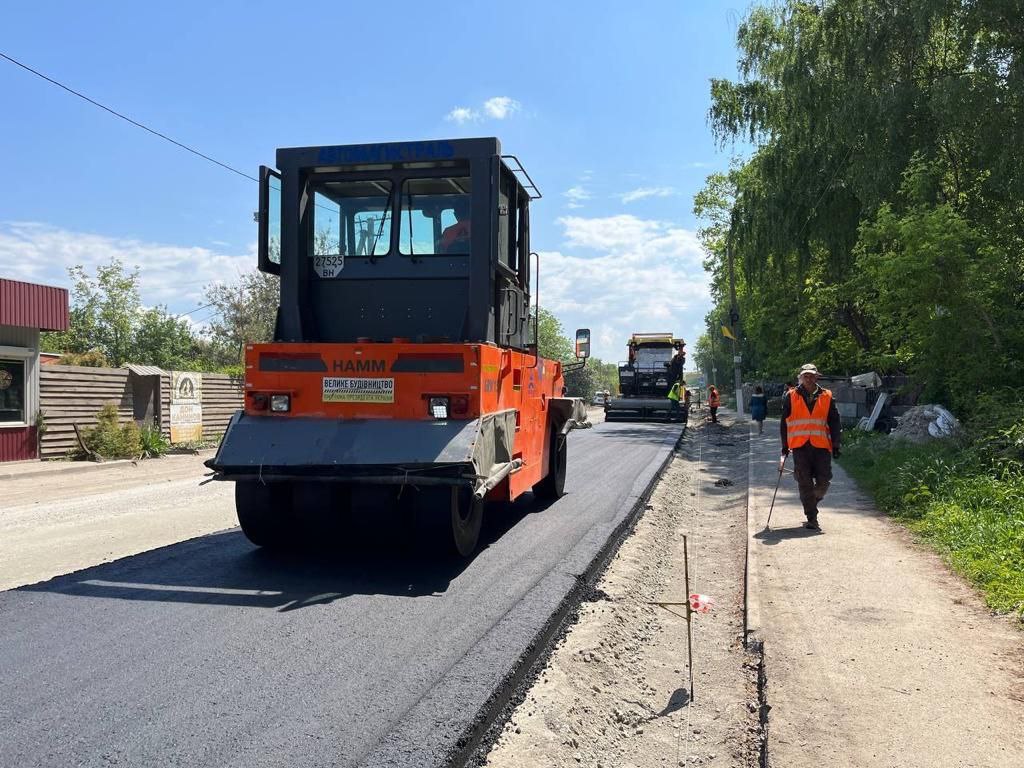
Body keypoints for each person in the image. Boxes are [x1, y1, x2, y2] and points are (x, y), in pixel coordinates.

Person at [780, 363, 841, 531]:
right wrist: (784, 445)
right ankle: (812, 517)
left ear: (816, 377)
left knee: (824, 481)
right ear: (801, 377)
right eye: (805, 375)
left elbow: (834, 421)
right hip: (800, 446)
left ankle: (811, 500)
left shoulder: (827, 396)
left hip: (821, 446)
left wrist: (836, 444)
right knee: (804, 482)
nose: (808, 378)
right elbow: (783, 423)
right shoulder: (790, 396)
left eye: (811, 375)